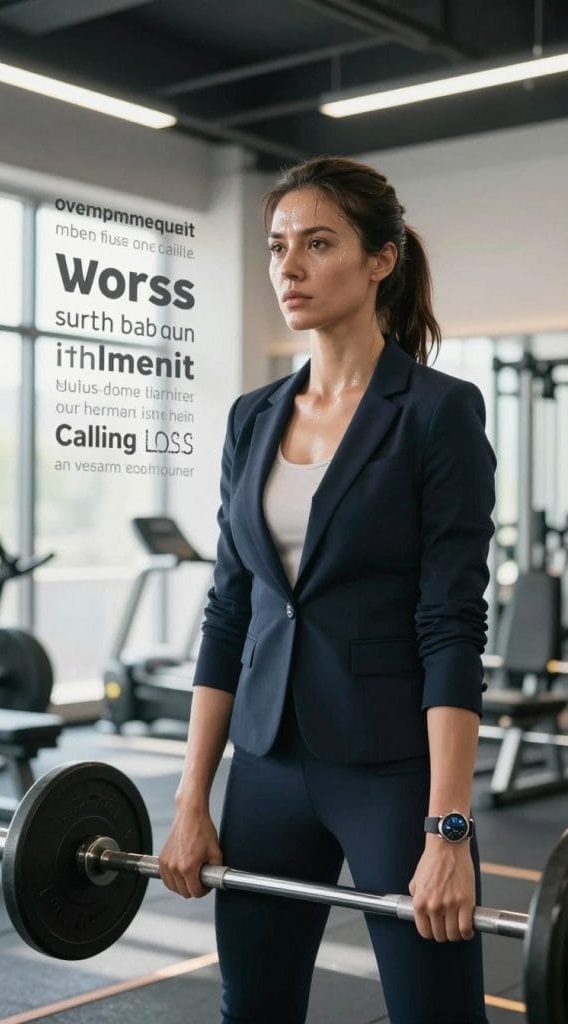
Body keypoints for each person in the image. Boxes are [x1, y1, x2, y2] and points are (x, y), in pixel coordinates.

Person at [159, 155, 496, 1024]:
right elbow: (230, 610)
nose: (289, 268)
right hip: (266, 763)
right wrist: (193, 796)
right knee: (254, 1008)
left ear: (381, 259)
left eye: (317, 244)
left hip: (390, 770)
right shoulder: (253, 416)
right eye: (277, 248)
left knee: (435, 1014)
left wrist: (448, 830)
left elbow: (451, 624)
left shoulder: (435, 412)